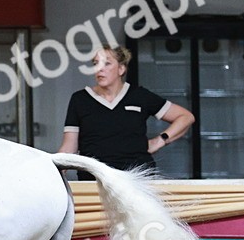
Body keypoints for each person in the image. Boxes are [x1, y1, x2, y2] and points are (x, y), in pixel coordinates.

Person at [57, 45, 194, 179]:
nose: (100, 68)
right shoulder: (80, 99)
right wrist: (55, 170)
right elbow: (69, 147)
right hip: (94, 178)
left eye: (107, 63)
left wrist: (159, 141)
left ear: (121, 69)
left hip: (137, 178)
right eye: (96, 63)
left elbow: (185, 117)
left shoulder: (139, 95)